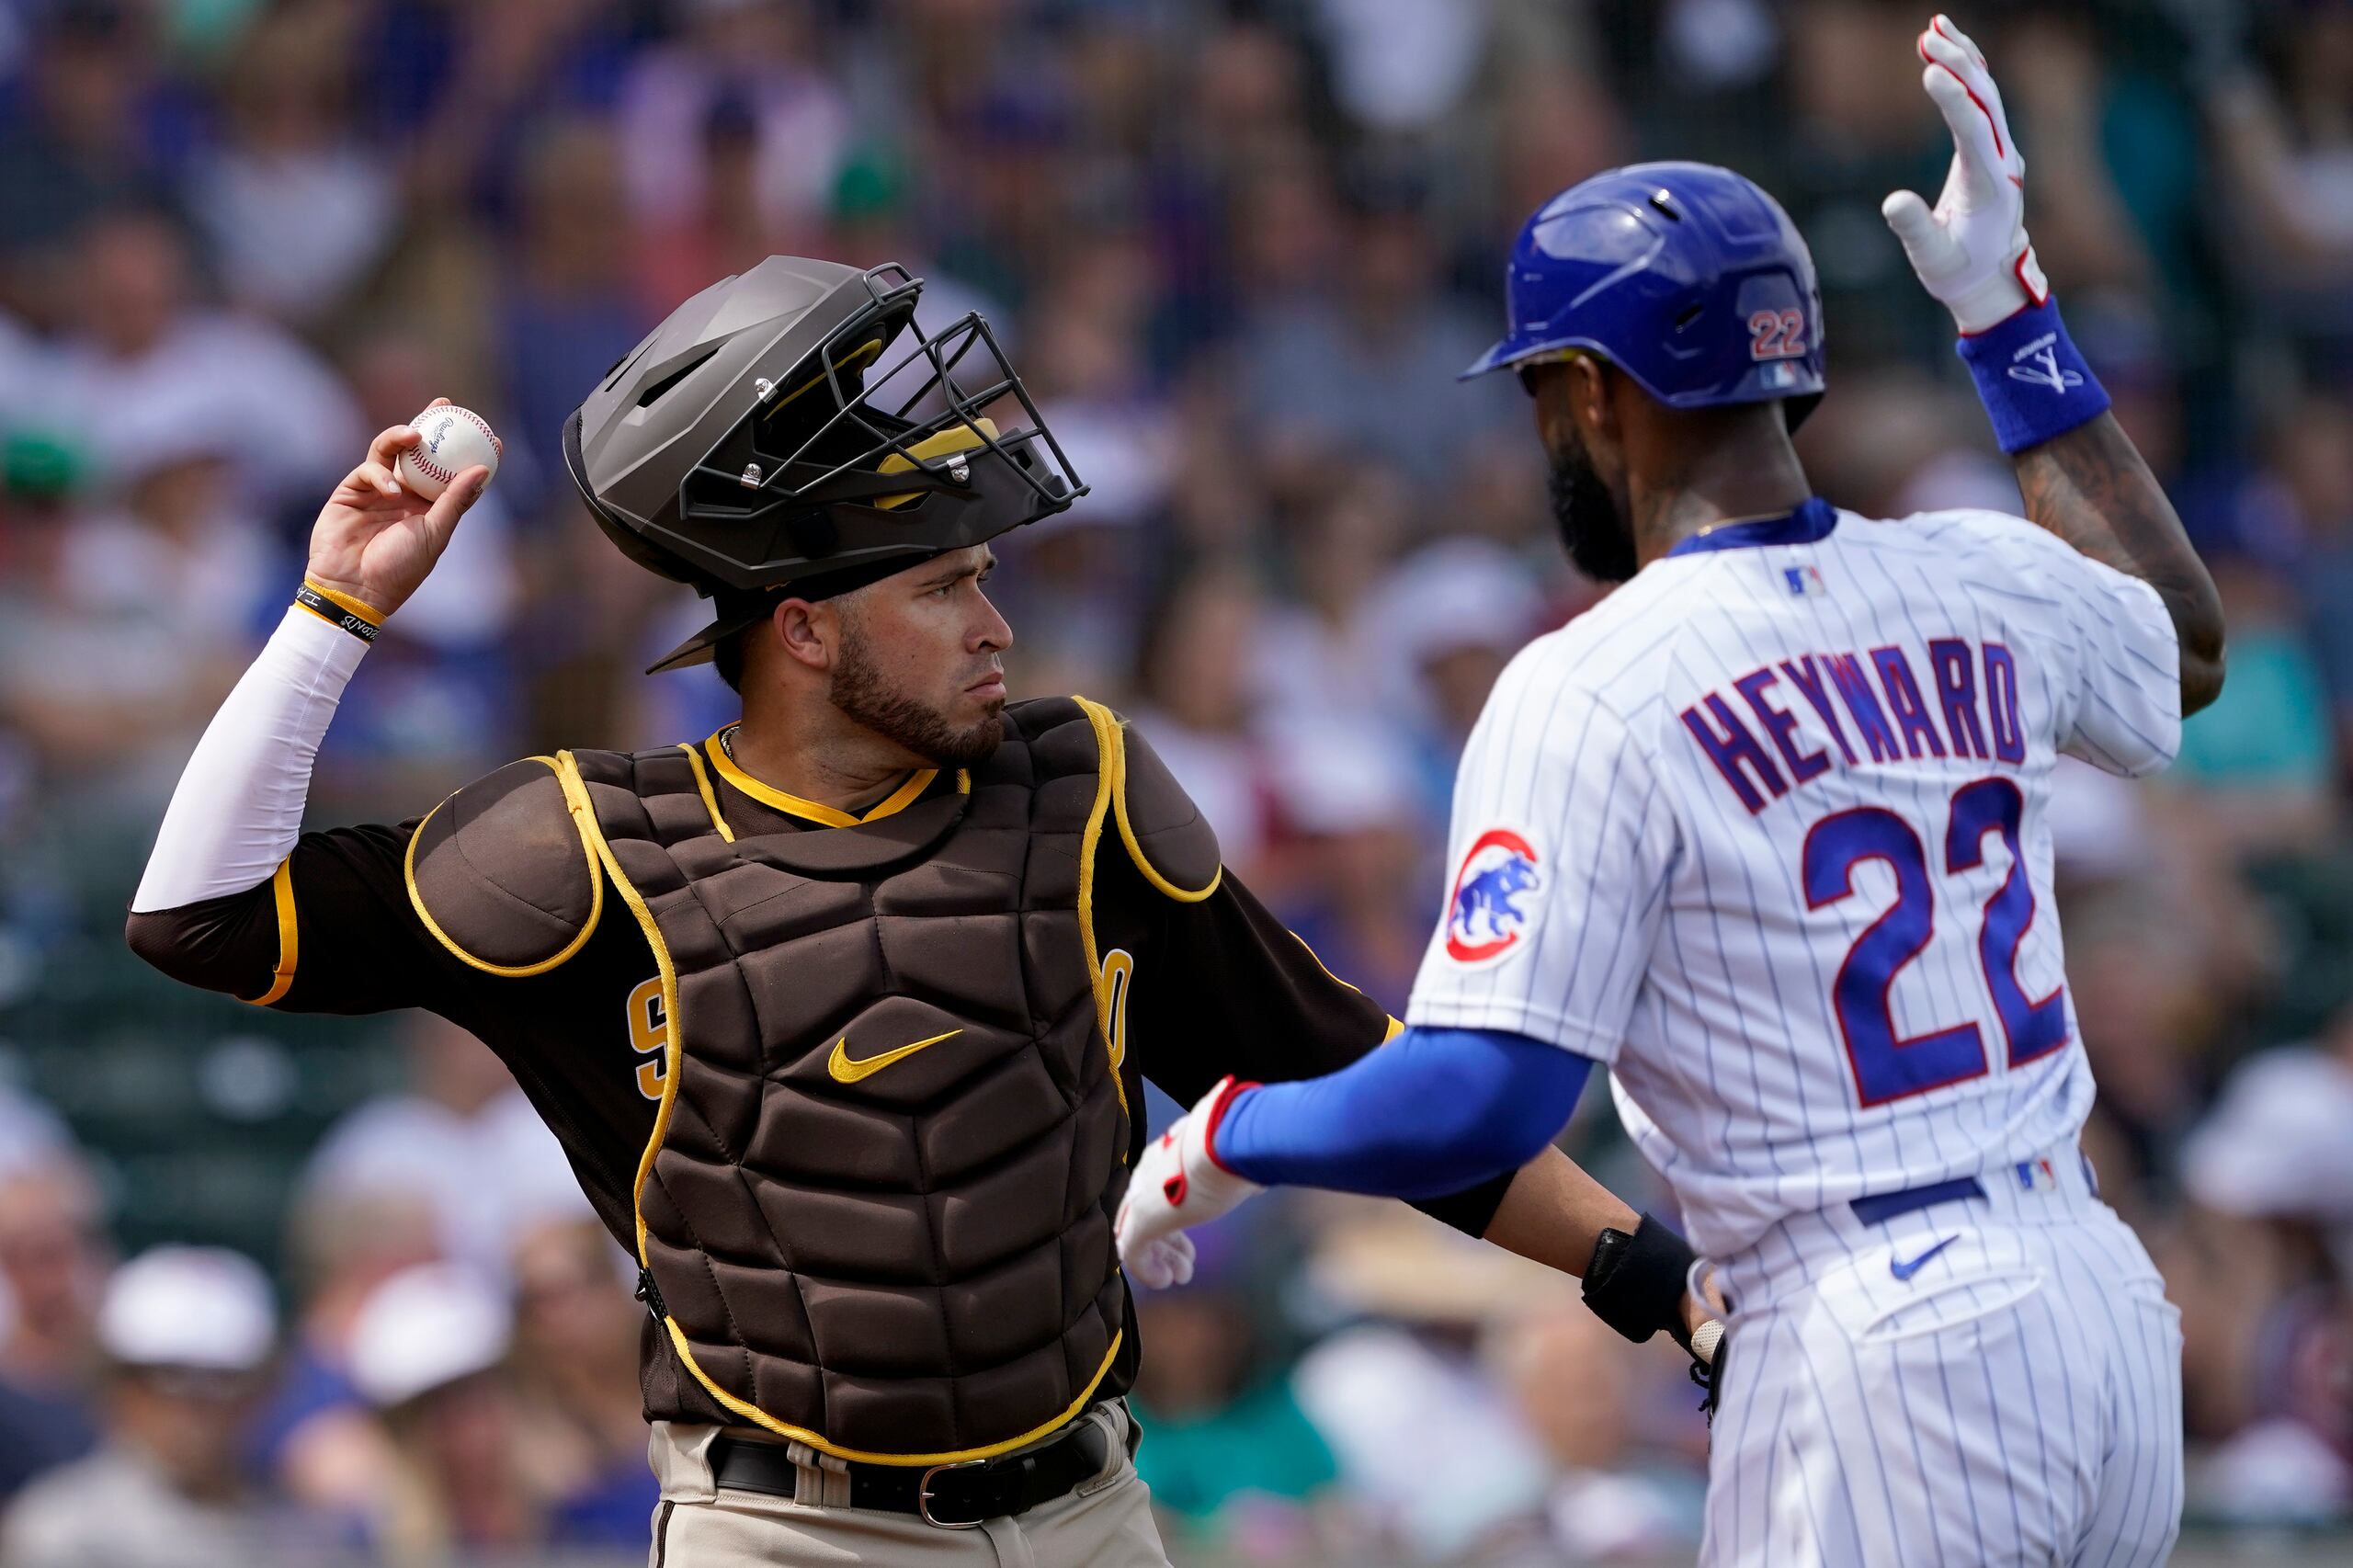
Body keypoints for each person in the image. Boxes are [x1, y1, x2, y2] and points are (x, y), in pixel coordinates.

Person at [123, 256, 1713, 1565]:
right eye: (949, 586)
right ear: (806, 629)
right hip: (786, 1534)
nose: (997, 624)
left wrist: (1648, 1275)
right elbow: (197, 914)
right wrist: (338, 608)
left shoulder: (1073, 786)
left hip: (1090, 1507)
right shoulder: (588, 848)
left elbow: (1346, 1073)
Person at [1118, 15, 2222, 1567]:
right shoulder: (1969, 569)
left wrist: (1227, 1132)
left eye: (1541, 392)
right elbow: (2177, 643)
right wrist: (2004, 313)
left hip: (1880, 1340)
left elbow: (1483, 1097)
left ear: (1590, 388)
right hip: (2102, 1302)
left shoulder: (1594, 680)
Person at [0, 1245, 324, 1568]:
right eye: (169, 1376)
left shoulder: (302, 1531)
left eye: (226, 1379)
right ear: (116, 1382)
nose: (199, 1403)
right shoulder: (64, 1530)